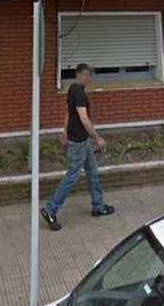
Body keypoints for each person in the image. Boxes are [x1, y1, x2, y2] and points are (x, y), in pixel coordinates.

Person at [40, 62, 115, 231]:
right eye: (86, 75)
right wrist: (97, 138)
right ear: (79, 75)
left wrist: (64, 129)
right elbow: (84, 118)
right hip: (79, 142)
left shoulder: (73, 89)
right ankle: (50, 209)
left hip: (83, 141)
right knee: (72, 176)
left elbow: (69, 112)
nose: (88, 78)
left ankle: (98, 206)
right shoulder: (78, 93)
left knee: (92, 172)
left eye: (89, 75)